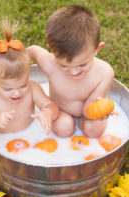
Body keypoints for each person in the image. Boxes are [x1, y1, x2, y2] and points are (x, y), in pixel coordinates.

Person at [27, 5, 114, 138]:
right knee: (64, 128)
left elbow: (88, 109)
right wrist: (19, 68)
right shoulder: (49, 63)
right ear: (52, 50)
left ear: (97, 49)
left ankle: (87, 125)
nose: (74, 72)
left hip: (87, 113)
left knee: (94, 130)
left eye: (82, 64)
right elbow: (31, 51)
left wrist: (100, 111)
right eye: (64, 65)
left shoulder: (104, 73)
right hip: (59, 111)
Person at [0, 19, 59, 135]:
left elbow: (50, 105)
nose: (17, 93)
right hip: (3, 142)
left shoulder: (33, 88)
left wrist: (48, 112)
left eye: (23, 85)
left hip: (31, 135)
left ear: (29, 73)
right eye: (8, 89)